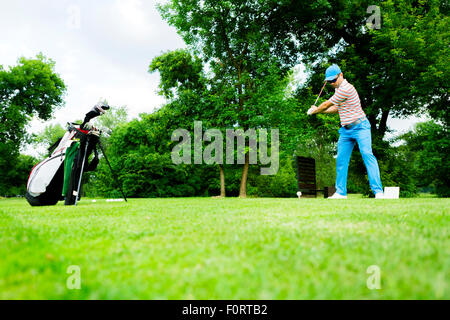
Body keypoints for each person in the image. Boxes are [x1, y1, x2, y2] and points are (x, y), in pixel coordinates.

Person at [307, 64, 384, 199]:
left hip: (361, 127)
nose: (331, 83)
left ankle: (378, 192)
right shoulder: (338, 90)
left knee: (367, 155)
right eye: (329, 81)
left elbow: (326, 104)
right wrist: (318, 111)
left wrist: (315, 110)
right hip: (346, 130)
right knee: (341, 160)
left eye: (333, 80)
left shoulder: (346, 89)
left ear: (341, 75)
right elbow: (335, 108)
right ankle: (341, 193)